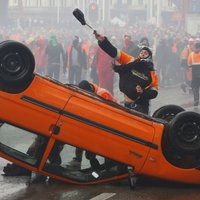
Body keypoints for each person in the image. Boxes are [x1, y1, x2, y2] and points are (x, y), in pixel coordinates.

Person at [94, 32, 158, 115]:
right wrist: (103, 41)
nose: (142, 54)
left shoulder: (152, 72)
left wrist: (143, 92)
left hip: (142, 105)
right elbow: (115, 53)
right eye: (141, 53)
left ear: (149, 56)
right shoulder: (130, 61)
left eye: (145, 53)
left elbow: (154, 91)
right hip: (127, 104)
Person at [68, 80, 117, 169]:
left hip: (108, 122)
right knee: (80, 137)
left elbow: (110, 112)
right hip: (94, 120)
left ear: (90, 90)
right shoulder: (86, 91)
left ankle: (110, 166)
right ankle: (78, 160)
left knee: (105, 145)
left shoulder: (102, 94)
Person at [187, 41, 200, 106]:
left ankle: (196, 99)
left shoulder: (191, 55)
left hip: (195, 74)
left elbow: (189, 64)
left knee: (195, 87)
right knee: (195, 87)